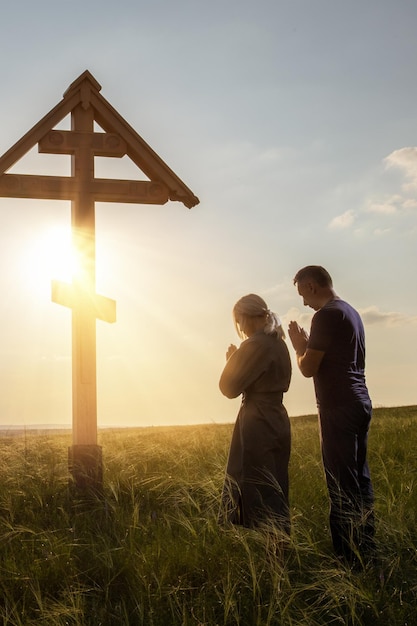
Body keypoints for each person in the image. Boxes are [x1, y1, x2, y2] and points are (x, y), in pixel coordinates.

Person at [288, 265, 375, 565]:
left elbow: (308, 368)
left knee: (340, 484)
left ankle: (347, 558)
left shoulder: (324, 315)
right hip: (360, 402)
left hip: (337, 405)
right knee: (360, 479)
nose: (304, 302)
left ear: (312, 285)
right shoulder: (350, 311)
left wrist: (299, 345)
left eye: (302, 294)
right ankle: (368, 548)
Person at [218, 294, 292, 535]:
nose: (240, 328)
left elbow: (228, 388)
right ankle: (279, 547)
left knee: (255, 482)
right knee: (276, 483)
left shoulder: (253, 345)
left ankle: (269, 552)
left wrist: (232, 360)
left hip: (256, 420)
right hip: (278, 417)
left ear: (244, 318)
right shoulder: (279, 342)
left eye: (238, 322)